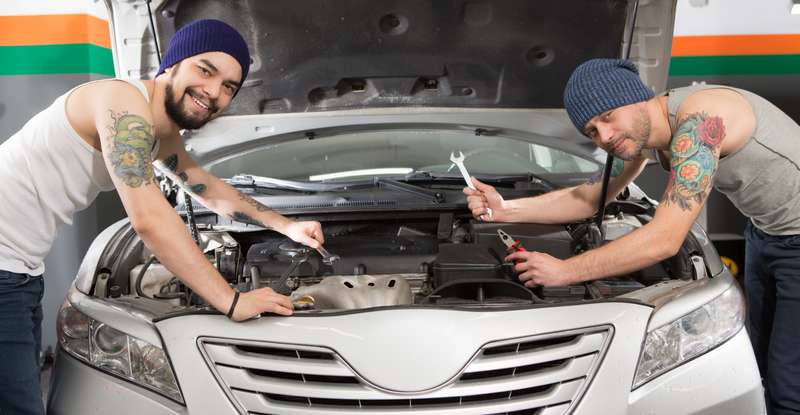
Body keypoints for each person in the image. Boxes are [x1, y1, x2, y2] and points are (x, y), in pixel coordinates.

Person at [0, 19, 325, 415]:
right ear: (170, 65)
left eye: (228, 87)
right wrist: (230, 299)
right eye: (205, 70)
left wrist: (286, 225)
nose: (213, 92)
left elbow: (204, 186)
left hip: (20, 268)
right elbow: (150, 218)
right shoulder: (121, 103)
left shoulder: (158, 131)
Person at [464, 58, 800, 414]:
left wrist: (564, 271)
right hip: (766, 232)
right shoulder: (648, 130)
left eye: (607, 116)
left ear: (637, 97)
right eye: (592, 130)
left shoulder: (700, 121)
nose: (604, 136)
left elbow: (664, 239)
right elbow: (590, 197)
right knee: (762, 363)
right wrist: (506, 210)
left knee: (788, 386)